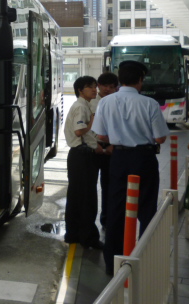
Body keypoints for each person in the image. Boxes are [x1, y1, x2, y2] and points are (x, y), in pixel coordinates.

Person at [92, 61, 169, 275]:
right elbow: (160, 138)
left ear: (120, 80)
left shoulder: (105, 102)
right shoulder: (150, 103)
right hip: (144, 158)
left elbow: (101, 135)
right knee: (146, 208)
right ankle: (144, 259)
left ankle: (113, 263)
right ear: (140, 80)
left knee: (116, 208)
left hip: (118, 159)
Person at [63, 75, 104, 250]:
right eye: (90, 87)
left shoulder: (83, 105)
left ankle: (73, 234)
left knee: (76, 196)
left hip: (78, 155)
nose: (94, 90)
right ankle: (88, 238)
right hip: (82, 156)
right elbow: (79, 131)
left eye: (95, 86)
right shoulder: (81, 107)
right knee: (87, 197)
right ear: (80, 90)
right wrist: (92, 123)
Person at [89, 72, 119, 227]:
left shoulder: (116, 102)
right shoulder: (91, 102)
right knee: (90, 187)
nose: (108, 89)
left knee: (109, 186)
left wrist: (113, 145)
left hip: (110, 149)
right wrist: (96, 145)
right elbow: (87, 128)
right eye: (105, 86)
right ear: (98, 85)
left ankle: (106, 219)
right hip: (94, 148)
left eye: (112, 87)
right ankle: (89, 222)